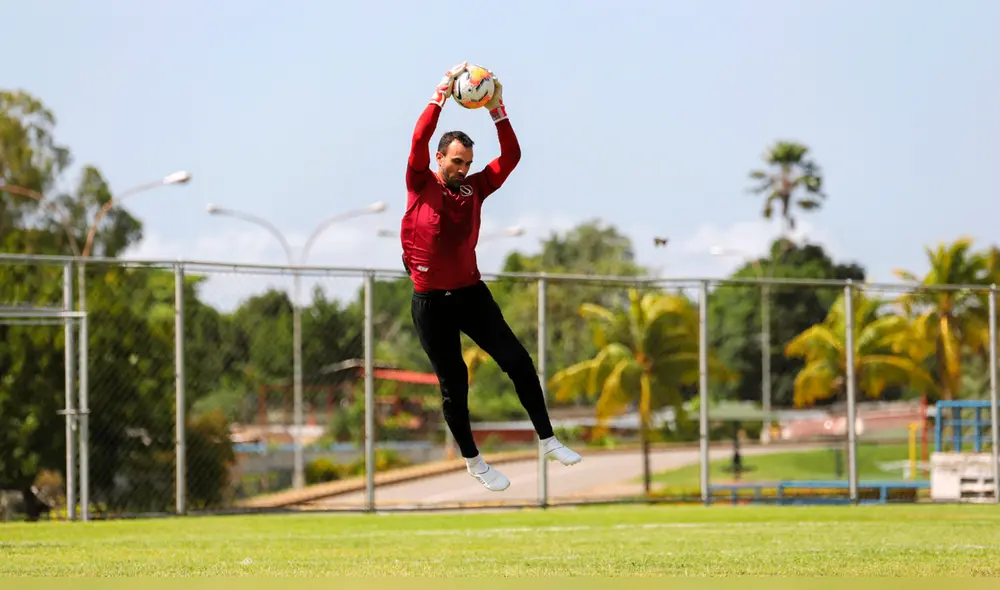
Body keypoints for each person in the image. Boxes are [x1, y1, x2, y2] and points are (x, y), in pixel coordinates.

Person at [399, 62, 582, 492]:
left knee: (517, 361)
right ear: (440, 158)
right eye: (456, 161)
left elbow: (512, 157)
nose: (462, 169)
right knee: (455, 383)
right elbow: (418, 138)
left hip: (469, 294)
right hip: (430, 303)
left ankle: (548, 440)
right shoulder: (419, 182)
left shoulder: (475, 188)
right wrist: (440, 93)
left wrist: (498, 109)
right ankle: (473, 461)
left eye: (468, 163)